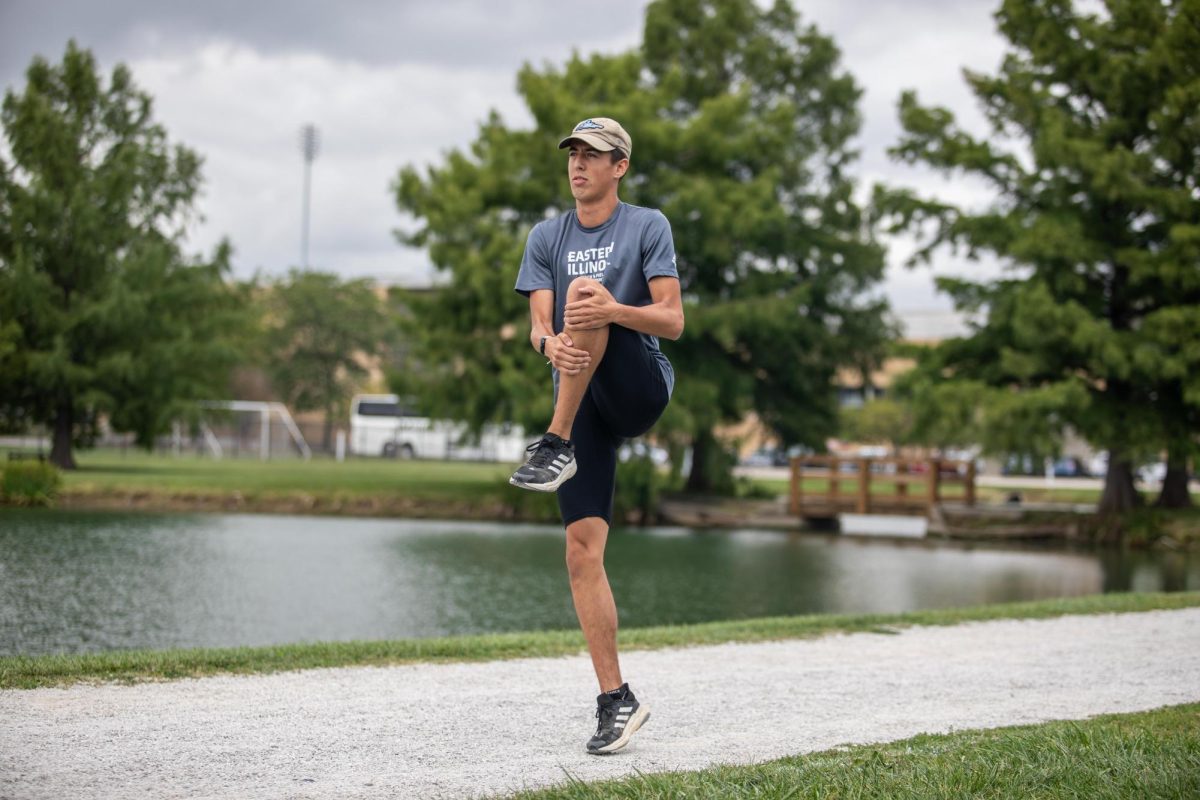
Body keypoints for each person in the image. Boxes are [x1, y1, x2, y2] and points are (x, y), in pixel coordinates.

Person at [511, 117, 684, 754]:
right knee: (582, 552)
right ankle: (617, 700)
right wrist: (548, 340)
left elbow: (672, 320)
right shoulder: (545, 236)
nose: (580, 163)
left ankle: (553, 444)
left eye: (595, 155)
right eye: (574, 153)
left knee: (587, 295)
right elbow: (538, 324)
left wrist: (610, 309)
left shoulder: (647, 225)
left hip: (639, 383)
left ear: (621, 167)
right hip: (580, 387)